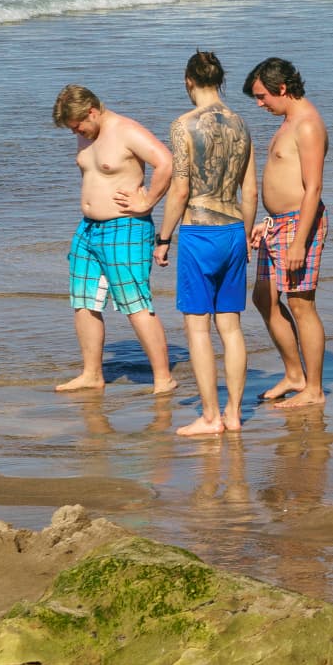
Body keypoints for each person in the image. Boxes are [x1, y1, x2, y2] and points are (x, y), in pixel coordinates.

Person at [153, 51, 255, 437]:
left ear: (188, 81)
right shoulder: (241, 124)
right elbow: (251, 189)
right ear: (221, 80)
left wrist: (163, 238)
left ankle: (210, 416)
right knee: (231, 327)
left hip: (199, 231)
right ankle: (233, 413)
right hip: (232, 230)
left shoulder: (183, 125)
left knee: (198, 328)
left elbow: (180, 188)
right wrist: (245, 235)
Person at [51, 85, 177, 394]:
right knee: (83, 300)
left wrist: (147, 201)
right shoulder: (87, 134)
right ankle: (92, 373)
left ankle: (163, 378)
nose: (75, 132)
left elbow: (166, 162)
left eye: (77, 126)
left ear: (92, 112)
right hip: (88, 229)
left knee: (134, 302)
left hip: (126, 228)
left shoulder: (126, 130)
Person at [243, 56, 330, 407]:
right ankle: (294, 374)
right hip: (278, 224)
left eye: (263, 96)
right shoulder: (289, 121)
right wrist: (268, 221)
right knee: (263, 297)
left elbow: (313, 188)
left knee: (300, 304)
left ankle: (315, 389)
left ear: (282, 88)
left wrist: (298, 241)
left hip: (298, 224)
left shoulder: (307, 124)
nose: (260, 104)